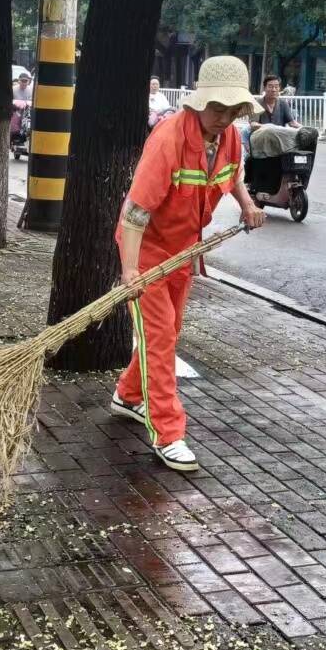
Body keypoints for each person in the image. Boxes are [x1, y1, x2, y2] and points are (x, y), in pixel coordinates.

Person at [113, 56, 266, 472]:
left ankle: (127, 394)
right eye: (217, 108)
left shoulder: (230, 137)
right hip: (144, 249)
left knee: (168, 332)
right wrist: (130, 273)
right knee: (160, 338)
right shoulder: (169, 139)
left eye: (233, 111)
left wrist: (247, 205)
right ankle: (168, 432)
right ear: (199, 102)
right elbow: (135, 213)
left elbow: (231, 175)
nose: (224, 118)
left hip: (183, 250)